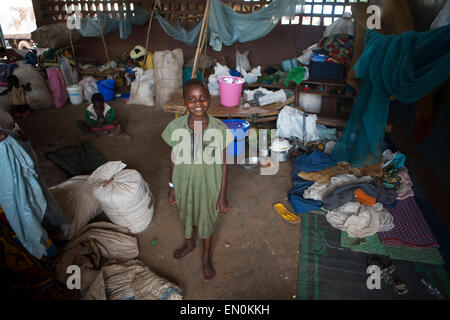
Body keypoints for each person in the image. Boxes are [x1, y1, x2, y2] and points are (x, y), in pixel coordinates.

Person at [161, 79, 234, 280]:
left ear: (209, 99)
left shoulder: (219, 129)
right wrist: (172, 187)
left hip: (210, 187)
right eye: (192, 99)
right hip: (184, 185)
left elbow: (224, 164)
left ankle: (206, 257)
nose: (198, 103)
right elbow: (173, 160)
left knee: (206, 220)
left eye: (202, 98)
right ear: (184, 101)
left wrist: (222, 195)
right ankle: (189, 243)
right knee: (187, 214)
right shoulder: (176, 127)